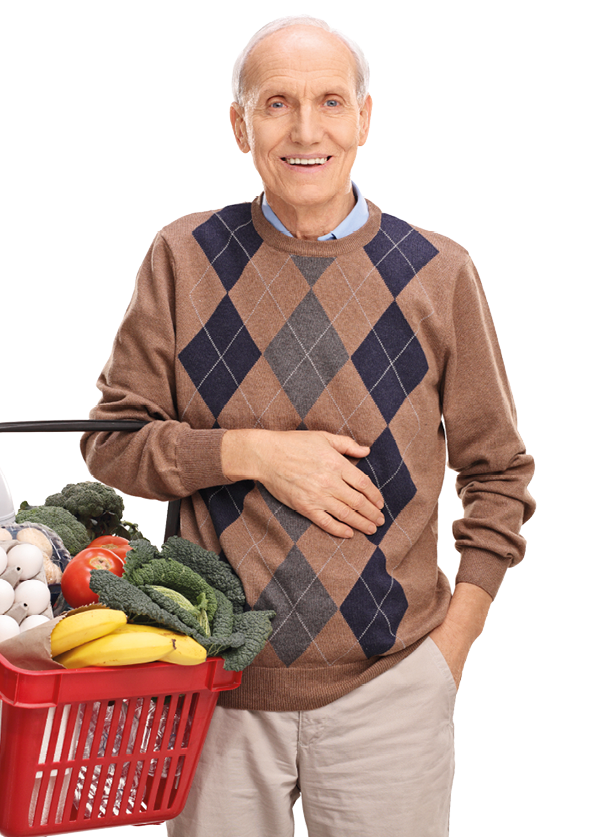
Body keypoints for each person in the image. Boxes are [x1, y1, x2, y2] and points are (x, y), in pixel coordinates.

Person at [81, 15, 535, 837]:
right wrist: (253, 453)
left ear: (365, 118)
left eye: (330, 101)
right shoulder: (183, 257)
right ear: (239, 125)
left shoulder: (439, 274)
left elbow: (498, 471)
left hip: (390, 689)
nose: (305, 130)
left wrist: (451, 647)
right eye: (277, 103)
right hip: (214, 687)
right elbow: (112, 439)